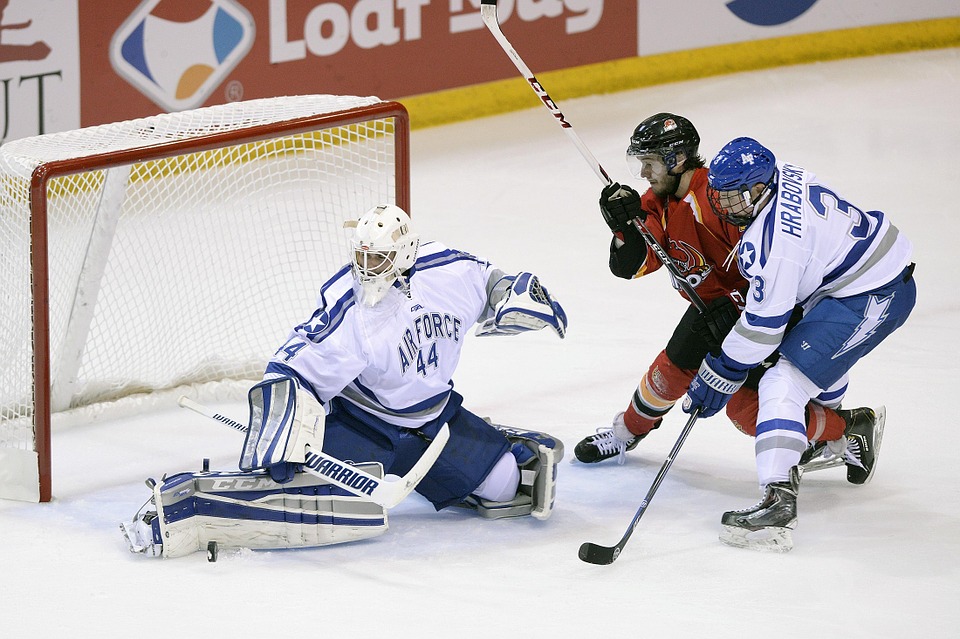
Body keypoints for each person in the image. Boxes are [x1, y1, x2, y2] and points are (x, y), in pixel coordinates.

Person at [121, 204, 567, 558]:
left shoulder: (447, 272)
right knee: (292, 490)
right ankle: (195, 507)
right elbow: (293, 366)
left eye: (379, 258)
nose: (367, 267)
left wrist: (513, 292)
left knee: (508, 487)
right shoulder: (350, 307)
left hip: (436, 421)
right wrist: (284, 429)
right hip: (362, 424)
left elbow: (490, 279)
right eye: (362, 255)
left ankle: (488, 446)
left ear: (405, 255)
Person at [573, 113, 874, 476]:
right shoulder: (656, 202)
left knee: (747, 412)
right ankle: (627, 431)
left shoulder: (720, 198)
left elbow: (773, 271)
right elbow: (632, 265)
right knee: (669, 371)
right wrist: (623, 227)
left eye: (649, 163)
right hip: (711, 310)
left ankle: (849, 428)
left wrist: (735, 306)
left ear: (676, 159)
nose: (643, 174)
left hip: (763, 315)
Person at [683, 137, 916, 551]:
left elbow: (762, 327)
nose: (723, 206)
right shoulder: (782, 174)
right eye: (718, 193)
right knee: (806, 359)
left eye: (734, 197)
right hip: (850, 281)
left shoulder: (775, 244)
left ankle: (778, 504)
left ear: (760, 189)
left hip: (874, 293)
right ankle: (847, 432)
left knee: (781, 384)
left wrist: (718, 371)